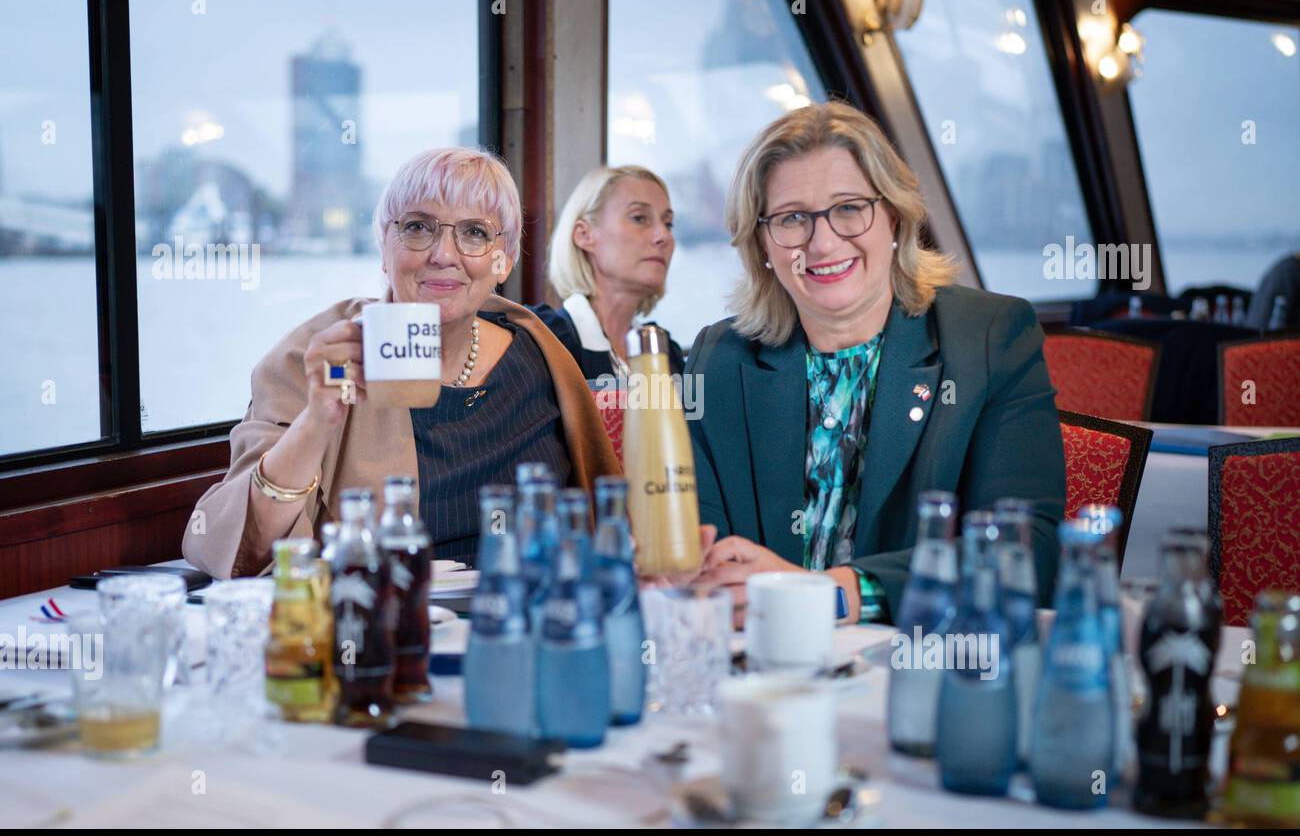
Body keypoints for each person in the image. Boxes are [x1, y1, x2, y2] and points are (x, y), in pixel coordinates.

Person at [684, 102, 1066, 624]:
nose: (822, 242)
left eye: (848, 208)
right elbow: (693, 547)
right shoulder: (720, 360)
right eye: (792, 218)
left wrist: (831, 594)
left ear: (893, 215)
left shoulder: (989, 339)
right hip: (760, 670)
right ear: (762, 245)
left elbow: (1026, 554)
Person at [184, 147, 620, 577]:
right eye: (417, 227)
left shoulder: (539, 353)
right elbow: (243, 546)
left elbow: (604, 512)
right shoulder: (317, 357)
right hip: (392, 625)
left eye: (474, 233)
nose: (444, 255)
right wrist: (317, 422)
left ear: (502, 261)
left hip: (541, 617)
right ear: (384, 248)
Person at [532, 165, 685, 379]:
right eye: (639, 218)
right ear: (584, 235)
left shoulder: (666, 353)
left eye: (668, 224)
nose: (663, 236)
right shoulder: (544, 342)